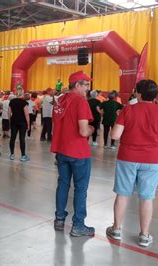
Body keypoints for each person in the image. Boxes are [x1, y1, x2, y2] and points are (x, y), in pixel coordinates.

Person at [106, 79, 158, 247]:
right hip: (152, 159)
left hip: (127, 157)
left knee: (123, 194)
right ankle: (144, 235)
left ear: (138, 93)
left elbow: (115, 136)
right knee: (147, 198)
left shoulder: (128, 110)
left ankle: (116, 229)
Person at [52, 70, 95, 237]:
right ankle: (78, 225)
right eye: (86, 85)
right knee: (80, 188)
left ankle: (59, 219)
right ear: (77, 85)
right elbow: (84, 131)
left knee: (63, 184)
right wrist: (92, 128)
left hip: (62, 150)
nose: (88, 88)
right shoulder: (81, 101)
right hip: (78, 152)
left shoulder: (59, 101)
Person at [8, 89, 30, 162]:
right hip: (22, 123)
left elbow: (9, 113)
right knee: (22, 139)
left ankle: (12, 154)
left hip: (14, 121)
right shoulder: (24, 102)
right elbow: (26, 114)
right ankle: (23, 155)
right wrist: (28, 124)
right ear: (22, 94)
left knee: (12, 138)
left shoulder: (12, 101)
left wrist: (10, 120)